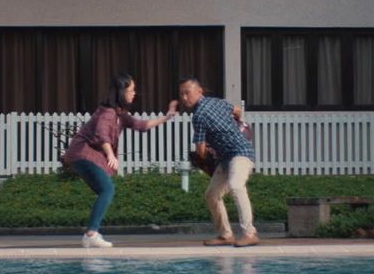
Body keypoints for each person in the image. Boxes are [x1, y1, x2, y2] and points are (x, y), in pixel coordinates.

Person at [62, 73, 179, 248]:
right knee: (107, 189)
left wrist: (167, 116)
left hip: (82, 155)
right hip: (82, 153)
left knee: (105, 190)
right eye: (132, 90)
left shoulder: (120, 114)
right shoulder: (108, 113)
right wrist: (110, 154)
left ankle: (92, 232)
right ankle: (91, 234)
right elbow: (101, 134)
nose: (134, 93)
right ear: (122, 91)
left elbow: (141, 125)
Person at [178, 76, 259, 247]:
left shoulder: (199, 116)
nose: (184, 98)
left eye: (187, 93)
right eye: (182, 94)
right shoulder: (218, 102)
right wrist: (237, 125)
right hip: (226, 159)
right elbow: (237, 111)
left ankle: (250, 233)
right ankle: (225, 235)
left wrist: (205, 153)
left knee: (236, 185)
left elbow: (200, 151)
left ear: (199, 91)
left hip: (240, 153)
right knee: (212, 195)